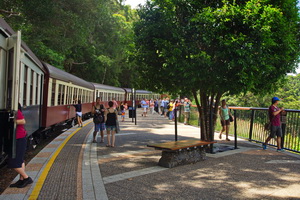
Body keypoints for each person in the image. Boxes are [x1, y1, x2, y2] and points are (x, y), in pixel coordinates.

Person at [8, 103, 33, 188]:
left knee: (13, 163)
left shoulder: (17, 112)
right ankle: (21, 180)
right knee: (20, 160)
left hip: (19, 138)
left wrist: (12, 121)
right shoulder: (15, 112)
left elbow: (23, 121)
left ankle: (26, 178)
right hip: (20, 138)